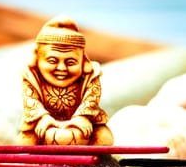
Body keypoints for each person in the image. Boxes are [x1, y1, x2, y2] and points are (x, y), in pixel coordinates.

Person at [18, 15, 114, 146]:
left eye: (71, 62)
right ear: (37, 59)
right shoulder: (31, 76)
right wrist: (43, 118)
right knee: (25, 143)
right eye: (52, 61)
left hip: (83, 126)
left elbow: (92, 99)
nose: (62, 68)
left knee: (104, 139)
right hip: (43, 125)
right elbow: (30, 101)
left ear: (83, 61)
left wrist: (83, 117)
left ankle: (93, 165)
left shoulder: (90, 75)